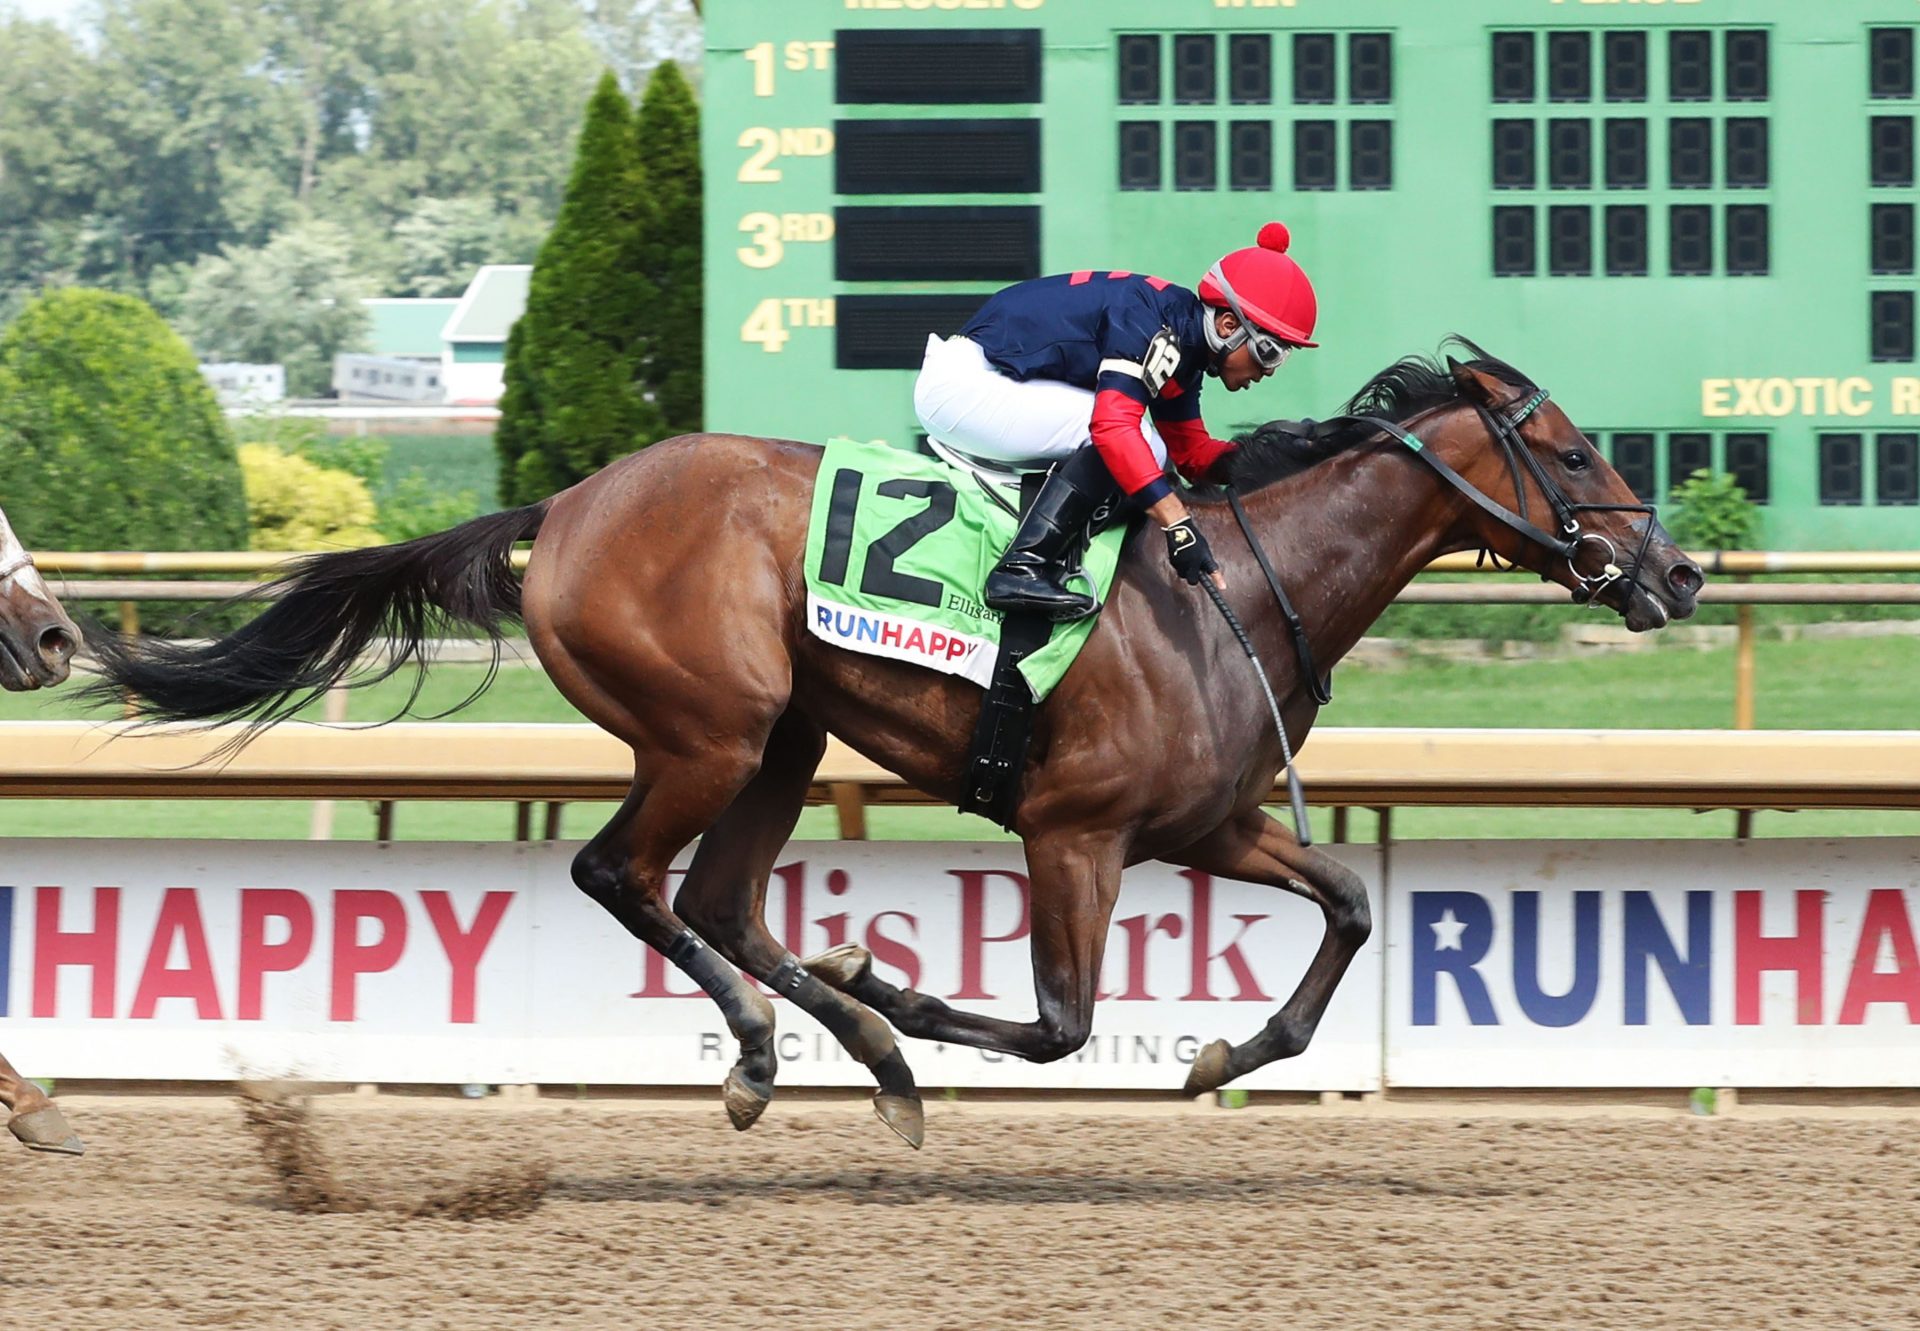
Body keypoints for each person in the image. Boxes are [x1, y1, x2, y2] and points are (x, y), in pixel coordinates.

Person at [912, 221, 1318, 621]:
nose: (1270, 371)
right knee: (1135, 439)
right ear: (1229, 325)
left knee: (1151, 449)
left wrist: (1274, 457)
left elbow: (1192, 455)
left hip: (992, 383)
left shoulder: (1184, 342)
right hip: (965, 385)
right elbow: (1112, 429)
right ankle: (1021, 568)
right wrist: (1178, 525)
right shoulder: (1154, 324)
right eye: (1269, 352)